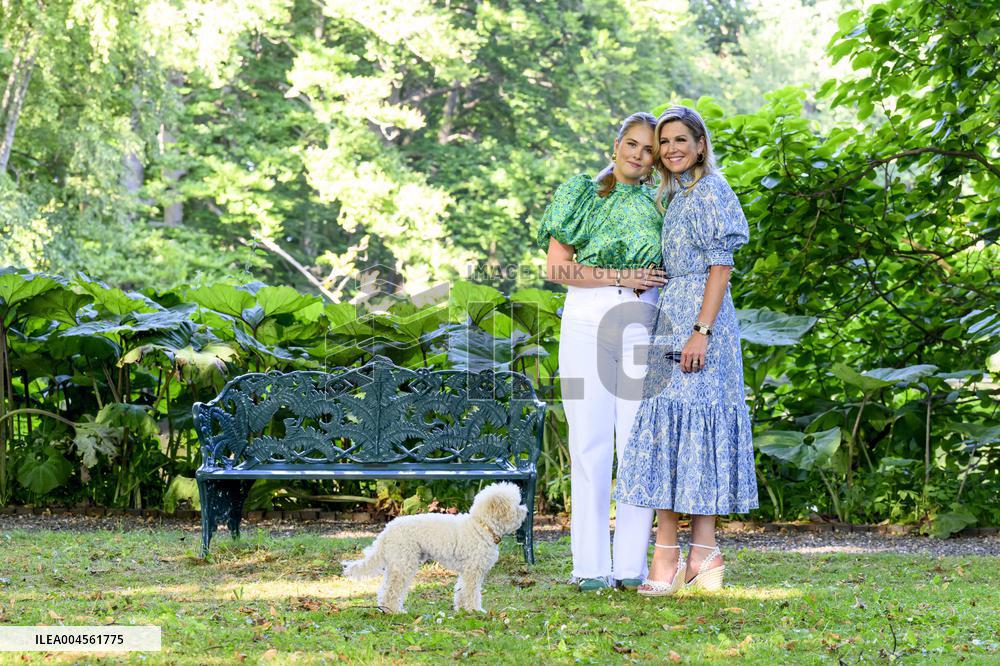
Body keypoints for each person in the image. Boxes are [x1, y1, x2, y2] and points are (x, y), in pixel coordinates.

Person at [614, 105, 757, 596]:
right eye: (664, 142)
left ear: (700, 145)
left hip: (702, 322)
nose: (672, 149)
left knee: (697, 430)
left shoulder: (713, 190)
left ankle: (688, 554)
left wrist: (702, 330)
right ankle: (691, 554)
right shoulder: (677, 196)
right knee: (671, 434)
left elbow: (721, 267)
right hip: (672, 316)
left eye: (681, 140)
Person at [537, 112, 669, 591]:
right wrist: (621, 277)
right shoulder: (582, 194)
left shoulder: (665, 200)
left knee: (637, 443)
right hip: (587, 317)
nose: (638, 154)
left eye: (648, 148)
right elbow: (556, 269)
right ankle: (590, 567)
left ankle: (631, 567)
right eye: (631, 144)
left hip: (645, 321)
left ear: (656, 159)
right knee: (589, 443)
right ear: (615, 146)